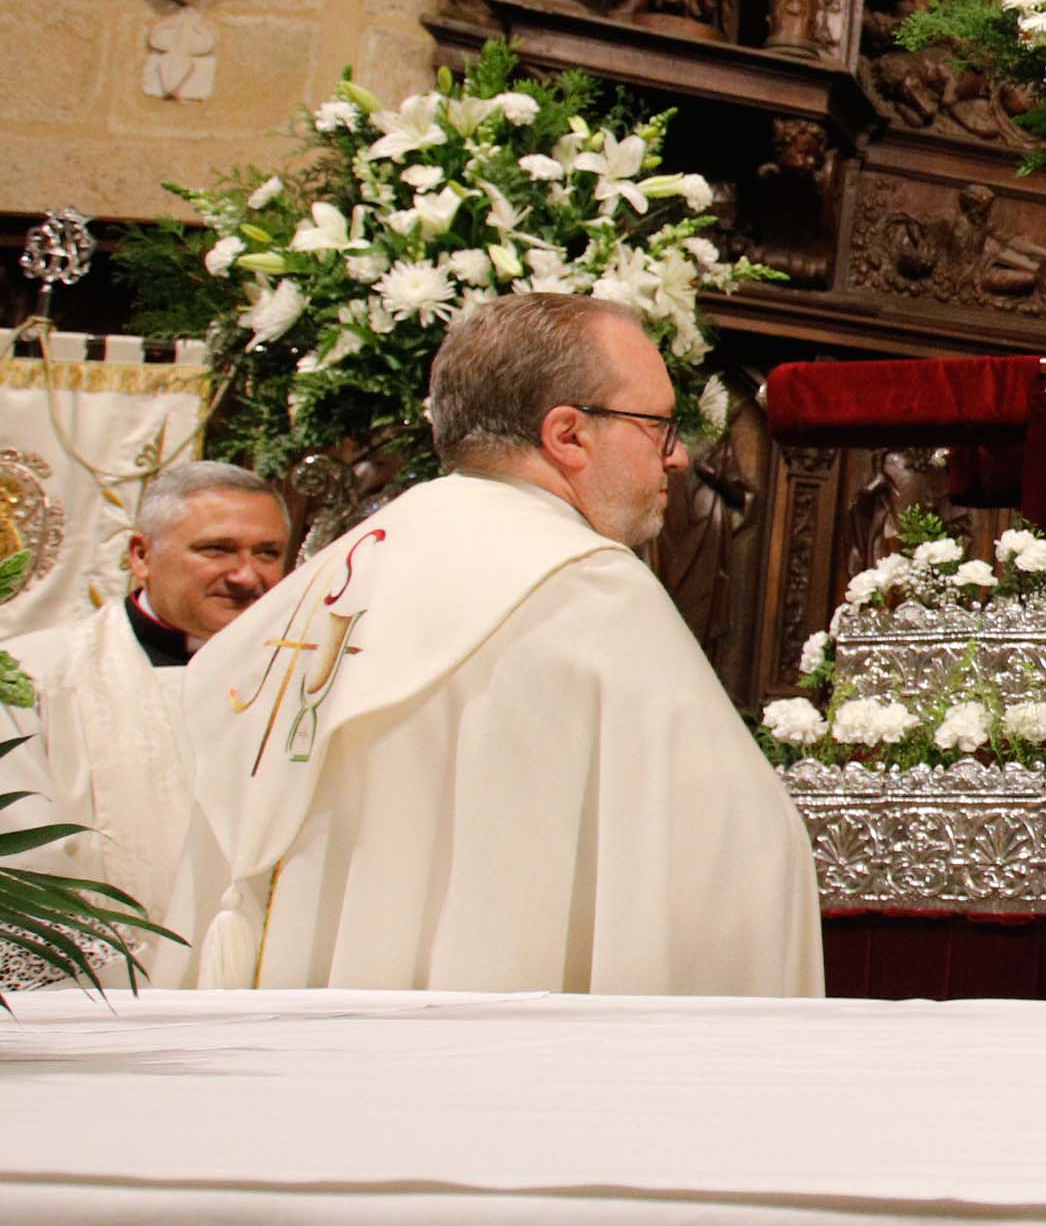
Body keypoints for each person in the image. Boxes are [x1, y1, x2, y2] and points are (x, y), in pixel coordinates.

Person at [157, 293, 822, 995]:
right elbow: (728, 867)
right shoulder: (587, 592)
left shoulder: (331, 574)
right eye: (658, 425)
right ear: (568, 434)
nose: (680, 456)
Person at [0, 461, 289, 909]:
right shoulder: (36, 678)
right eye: (218, 550)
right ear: (141, 555)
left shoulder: (305, 677)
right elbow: (27, 862)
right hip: (107, 971)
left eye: (267, 553)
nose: (246, 576)